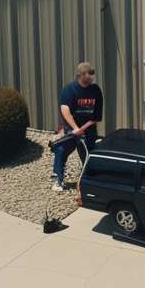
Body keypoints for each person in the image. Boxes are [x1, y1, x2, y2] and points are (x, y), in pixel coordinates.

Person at [52, 61, 104, 192]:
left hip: (88, 129)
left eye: (92, 75)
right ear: (80, 75)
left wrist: (83, 129)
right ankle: (58, 179)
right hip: (71, 129)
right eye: (88, 75)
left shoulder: (96, 90)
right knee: (61, 151)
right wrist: (75, 128)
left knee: (88, 155)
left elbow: (96, 116)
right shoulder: (69, 90)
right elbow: (65, 110)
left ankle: (89, 179)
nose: (91, 78)